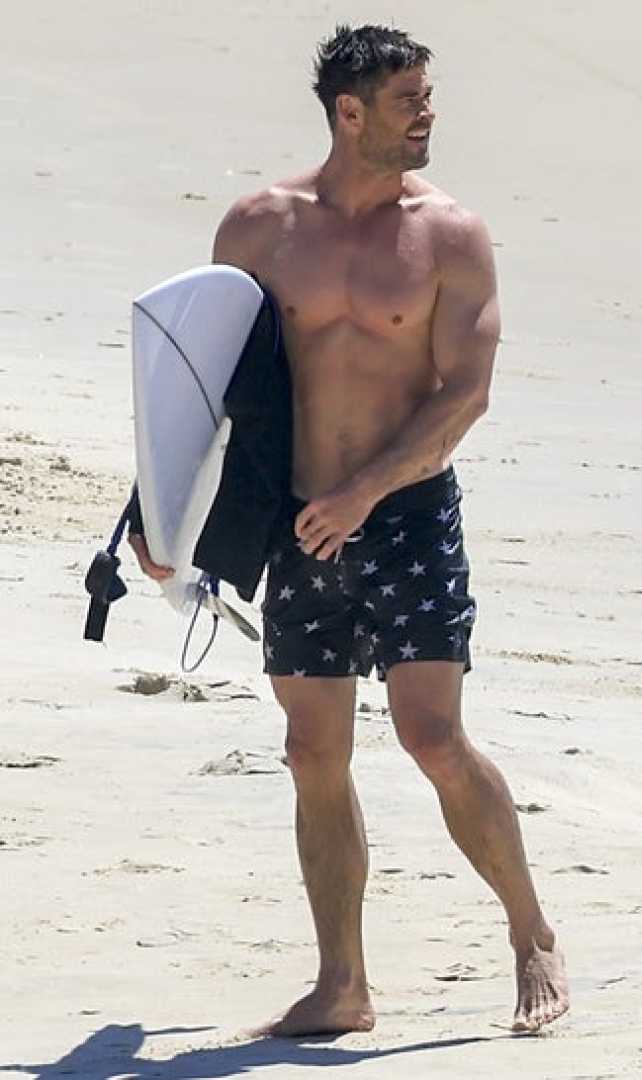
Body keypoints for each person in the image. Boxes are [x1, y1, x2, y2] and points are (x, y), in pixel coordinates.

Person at [128, 24, 568, 1035]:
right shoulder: (258, 229)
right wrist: (162, 515)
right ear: (349, 112)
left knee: (431, 737)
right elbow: (199, 388)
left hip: (405, 512)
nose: (429, 112)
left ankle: (531, 933)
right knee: (310, 749)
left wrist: (367, 491)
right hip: (293, 522)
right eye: (409, 97)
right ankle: (344, 986)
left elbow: (467, 395)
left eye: (429, 93)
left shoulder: (449, 236)